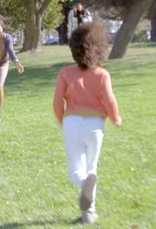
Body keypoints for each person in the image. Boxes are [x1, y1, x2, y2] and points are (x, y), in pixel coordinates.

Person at [53, 22, 122, 224]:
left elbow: (57, 101)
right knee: (92, 168)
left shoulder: (65, 73)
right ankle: (89, 213)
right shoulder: (102, 74)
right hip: (95, 126)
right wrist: (116, 118)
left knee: (76, 171)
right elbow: (109, 100)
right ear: (100, 49)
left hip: (72, 123)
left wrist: (61, 119)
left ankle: (85, 192)